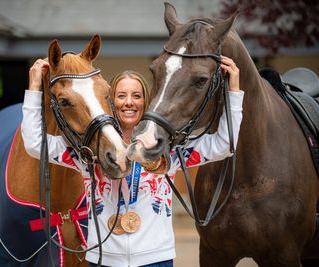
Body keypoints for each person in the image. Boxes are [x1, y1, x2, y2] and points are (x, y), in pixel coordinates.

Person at [21, 56, 243, 267]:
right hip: (103, 259)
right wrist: (34, 87)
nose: (129, 102)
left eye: (136, 96)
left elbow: (225, 144)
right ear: (111, 102)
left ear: (145, 101)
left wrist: (233, 91)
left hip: (156, 259)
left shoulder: (167, 147)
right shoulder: (87, 153)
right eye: (121, 96)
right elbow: (34, 144)